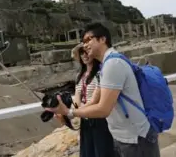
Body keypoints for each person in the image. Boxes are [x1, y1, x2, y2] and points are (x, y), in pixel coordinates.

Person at [47, 22, 161, 157]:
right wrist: (68, 114)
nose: (85, 45)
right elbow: (93, 101)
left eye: (88, 39)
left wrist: (69, 111)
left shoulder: (113, 64)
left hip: (135, 138)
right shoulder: (106, 65)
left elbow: (103, 109)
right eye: (83, 42)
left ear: (102, 39)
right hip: (122, 137)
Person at [56, 44, 114, 157]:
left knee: (102, 151)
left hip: (99, 117)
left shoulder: (100, 73)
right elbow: (77, 99)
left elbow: (95, 100)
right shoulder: (79, 75)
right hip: (85, 118)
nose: (84, 55)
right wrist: (73, 110)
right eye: (81, 53)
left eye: (86, 52)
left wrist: (71, 113)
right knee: (87, 151)